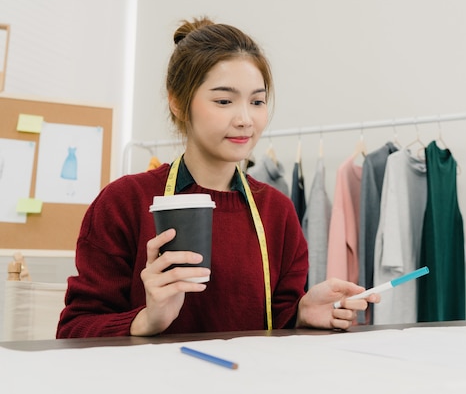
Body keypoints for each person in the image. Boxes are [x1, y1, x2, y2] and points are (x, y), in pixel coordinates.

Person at [56, 17, 379, 338]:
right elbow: (73, 331)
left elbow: (274, 319)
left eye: (257, 101)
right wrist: (146, 321)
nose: (244, 119)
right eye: (224, 101)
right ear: (178, 103)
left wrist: (300, 314)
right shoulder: (123, 203)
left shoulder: (277, 213)